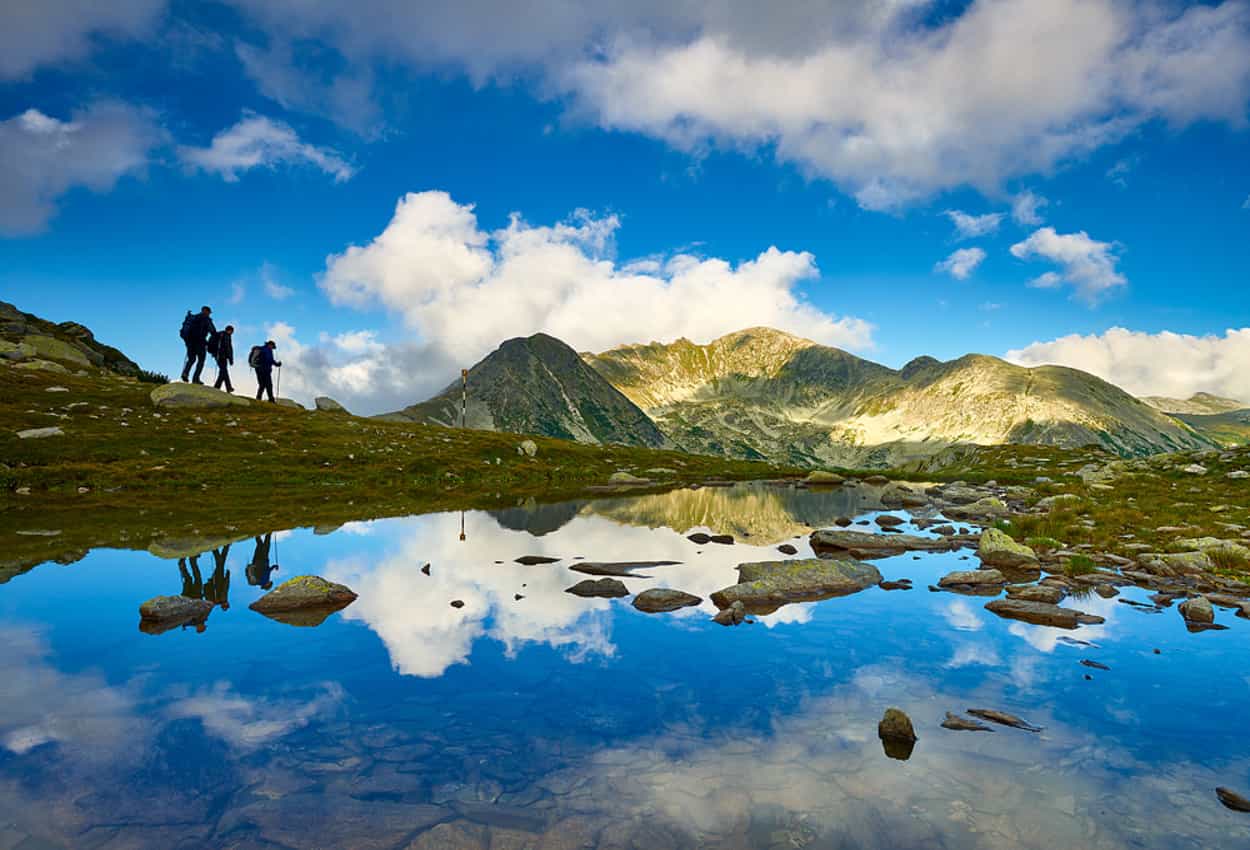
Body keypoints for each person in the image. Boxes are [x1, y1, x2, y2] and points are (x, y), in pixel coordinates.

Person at [180, 305, 216, 384]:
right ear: (206, 311)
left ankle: (185, 373)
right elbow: (213, 331)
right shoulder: (206, 319)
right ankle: (196, 379)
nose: (209, 314)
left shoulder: (193, 318)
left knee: (191, 359)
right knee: (201, 361)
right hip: (200, 342)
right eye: (209, 312)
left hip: (190, 342)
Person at [204, 545, 231, 611]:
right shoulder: (216, 601)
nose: (227, 603)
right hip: (215, 580)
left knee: (220, 562)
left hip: (219, 578)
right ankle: (225, 546)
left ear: (225, 604)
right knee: (221, 562)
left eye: (227, 605)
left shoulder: (223, 598)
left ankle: (214, 548)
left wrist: (228, 576)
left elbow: (225, 587)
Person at [211, 325, 235, 392]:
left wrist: (230, 359)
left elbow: (229, 348)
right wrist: (231, 359)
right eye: (232, 331)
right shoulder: (224, 335)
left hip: (220, 356)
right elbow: (228, 348)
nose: (232, 333)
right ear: (229, 330)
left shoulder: (224, 335)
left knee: (222, 372)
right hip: (221, 356)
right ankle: (228, 387)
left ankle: (217, 387)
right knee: (224, 371)